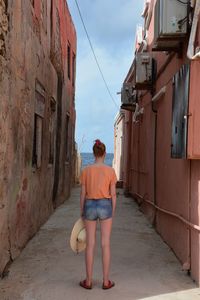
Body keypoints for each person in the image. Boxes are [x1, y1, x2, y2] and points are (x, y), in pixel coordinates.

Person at [79, 139, 117, 290]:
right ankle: (106, 281)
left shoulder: (86, 170)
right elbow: (113, 195)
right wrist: (111, 211)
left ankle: (88, 281)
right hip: (105, 205)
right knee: (105, 244)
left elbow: (82, 194)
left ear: (93, 153)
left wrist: (82, 211)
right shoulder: (110, 171)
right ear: (105, 153)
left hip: (89, 205)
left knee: (90, 244)